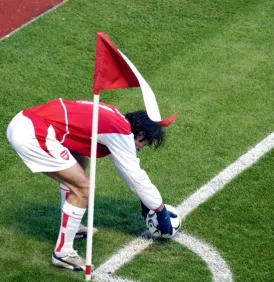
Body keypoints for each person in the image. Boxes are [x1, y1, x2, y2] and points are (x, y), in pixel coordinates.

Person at [7, 98, 177, 272]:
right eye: (145, 144)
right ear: (140, 134)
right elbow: (135, 178)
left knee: (80, 160)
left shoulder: (115, 116)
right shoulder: (121, 132)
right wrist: (160, 210)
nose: (141, 149)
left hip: (25, 121)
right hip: (33, 134)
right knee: (84, 187)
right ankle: (63, 253)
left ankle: (73, 227)